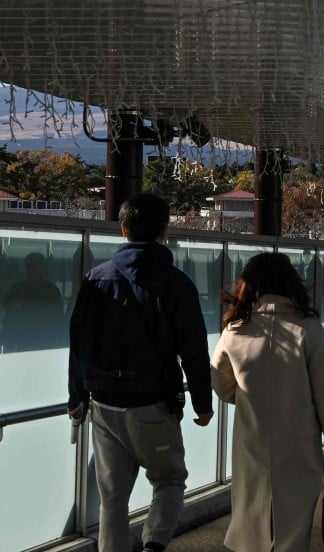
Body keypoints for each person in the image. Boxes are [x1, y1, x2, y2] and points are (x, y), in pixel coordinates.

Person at [67, 193, 214, 552]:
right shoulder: (177, 284)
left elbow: (79, 343)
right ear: (164, 231)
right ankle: (153, 544)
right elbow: (193, 349)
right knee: (169, 479)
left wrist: (76, 397)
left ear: (123, 229)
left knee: (112, 496)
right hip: (153, 404)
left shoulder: (95, 279)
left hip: (104, 405)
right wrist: (201, 404)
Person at [211, 252, 324, 551]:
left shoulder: (235, 330)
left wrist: (251, 397)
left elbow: (221, 385)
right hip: (299, 446)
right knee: (293, 527)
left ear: (249, 285)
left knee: (252, 521)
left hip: (252, 444)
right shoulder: (308, 328)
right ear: (290, 283)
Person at [1, 251, 64, 352]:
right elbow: (7, 310)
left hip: (46, 342)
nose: (33, 270)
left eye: (36, 266)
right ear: (25, 268)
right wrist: (8, 342)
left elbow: (58, 318)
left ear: (43, 268)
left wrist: (58, 342)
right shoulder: (16, 288)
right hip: (22, 341)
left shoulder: (52, 291)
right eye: (30, 266)